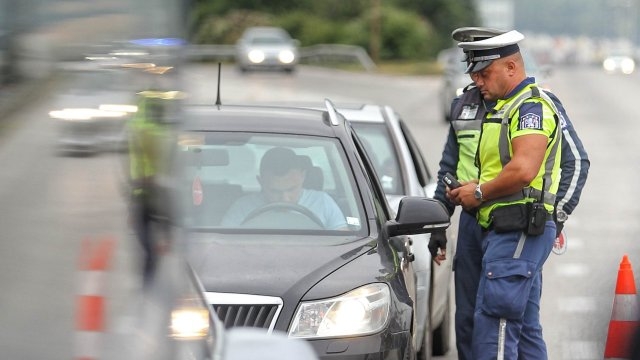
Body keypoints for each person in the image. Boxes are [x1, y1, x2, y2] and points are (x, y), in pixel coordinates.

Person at [429, 27, 590, 360]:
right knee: (480, 324)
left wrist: (554, 218)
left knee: (497, 322)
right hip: (476, 222)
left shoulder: (535, 106)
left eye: (484, 73)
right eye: (473, 73)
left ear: (511, 67)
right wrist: (437, 221)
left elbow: (572, 163)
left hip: (516, 224)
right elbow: (450, 167)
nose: (478, 81)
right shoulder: (465, 105)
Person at [221, 147, 348, 230]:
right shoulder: (242, 207)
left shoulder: (323, 202)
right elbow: (223, 245)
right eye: (275, 191)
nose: (284, 199)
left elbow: (344, 244)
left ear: (303, 176)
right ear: (260, 182)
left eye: (291, 189)